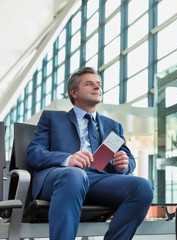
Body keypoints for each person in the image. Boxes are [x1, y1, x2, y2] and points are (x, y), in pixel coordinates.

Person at [26, 67, 153, 240]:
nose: (97, 87)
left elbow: (129, 160)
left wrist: (124, 164)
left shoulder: (113, 126)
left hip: (98, 180)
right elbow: (34, 154)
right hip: (62, 179)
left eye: (99, 84)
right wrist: (67, 159)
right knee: (75, 175)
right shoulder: (53, 118)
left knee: (142, 187)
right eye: (89, 84)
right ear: (74, 92)